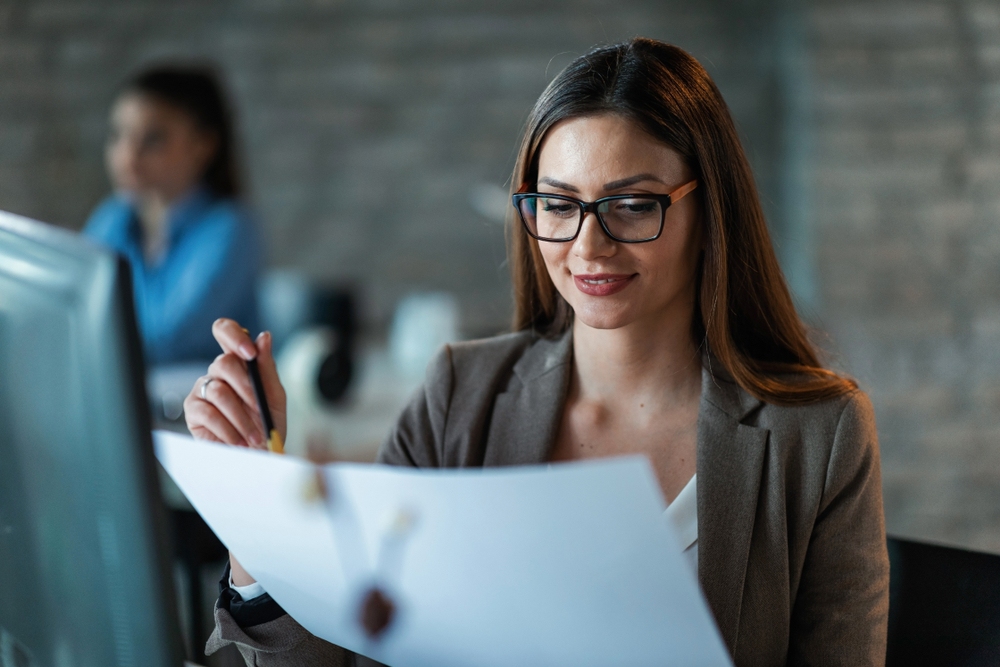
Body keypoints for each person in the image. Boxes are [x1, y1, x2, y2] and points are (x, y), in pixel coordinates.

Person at [184, 38, 889, 666]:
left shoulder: (818, 433)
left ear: (709, 212)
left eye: (634, 204)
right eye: (557, 205)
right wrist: (258, 520)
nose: (588, 246)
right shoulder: (461, 392)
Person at [84, 64, 260, 366]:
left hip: (202, 402)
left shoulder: (231, 228)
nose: (128, 156)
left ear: (202, 146)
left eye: (152, 139)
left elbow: (168, 341)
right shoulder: (113, 218)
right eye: (118, 136)